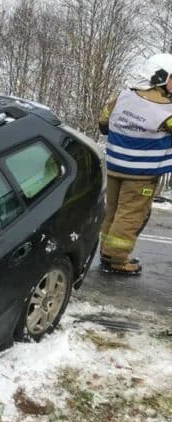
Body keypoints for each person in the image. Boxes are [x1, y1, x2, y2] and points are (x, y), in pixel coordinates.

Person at [99, 53, 172, 275]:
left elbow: (103, 123)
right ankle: (116, 259)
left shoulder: (123, 97)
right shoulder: (166, 108)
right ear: (159, 77)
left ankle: (106, 251)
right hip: (141, 175)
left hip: (114, 167)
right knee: (131, 215)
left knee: (112, 211)